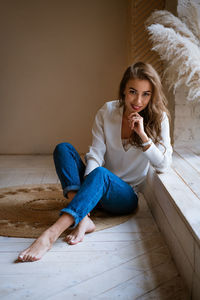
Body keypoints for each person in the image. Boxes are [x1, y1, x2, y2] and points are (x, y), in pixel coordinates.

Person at [18, 62, 172, 262]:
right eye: (133, 92)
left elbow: (163, 165)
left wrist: (143, 136)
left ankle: (51, 234)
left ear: (153, 95)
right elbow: (95, 154)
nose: (138, 100)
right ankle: (83, 218)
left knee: (100, 174)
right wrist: (90, 185)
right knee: (63, 149)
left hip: (124, 195)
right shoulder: (107, 111)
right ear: (123, 89)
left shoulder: (159, 119)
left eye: (146, 94)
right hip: (96, 183)